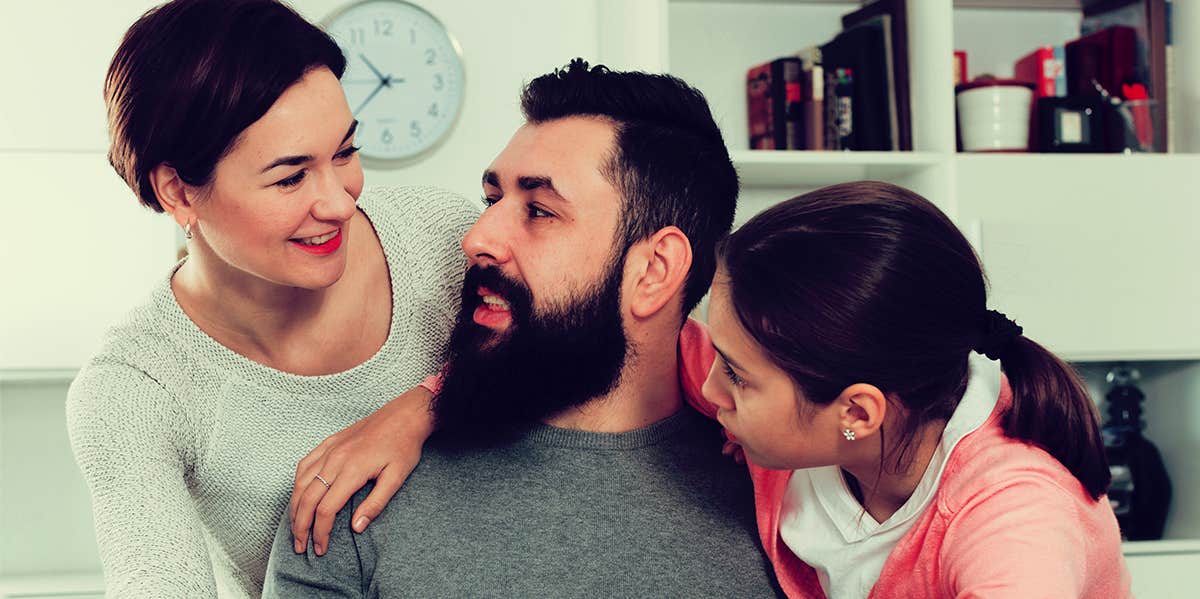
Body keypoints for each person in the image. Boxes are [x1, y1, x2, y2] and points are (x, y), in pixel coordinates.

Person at [262, 59, 781, 597]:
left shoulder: (791, 506)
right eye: (492, 200)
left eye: (539, 210)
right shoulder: (356, 493)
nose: (478, 238)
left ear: (654, 270)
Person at [65, 1, 475, 596]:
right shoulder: (134, 392)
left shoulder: (440, 238)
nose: (339, 202)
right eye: (290, 177)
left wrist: (424, 405)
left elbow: (584, 356)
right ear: (178, 191)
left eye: (345, 152)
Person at [690, 181, 1132, 597]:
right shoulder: (814, 402)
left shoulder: (1018, 519)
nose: (710, 388)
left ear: (857, 414)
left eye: (734, 375)